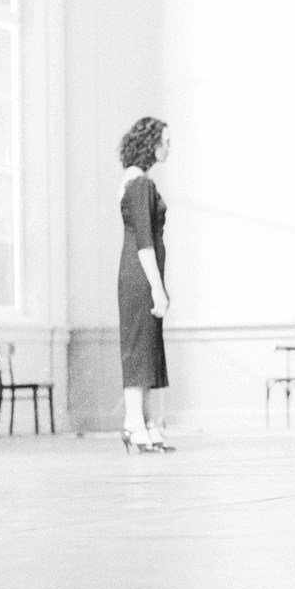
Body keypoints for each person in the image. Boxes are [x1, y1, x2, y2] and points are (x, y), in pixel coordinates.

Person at [117, 116, 174, 454]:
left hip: (140, 273)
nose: (169, 147)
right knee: (139, 349)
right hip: (140, 274)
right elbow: (144, 241)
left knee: (147, 347)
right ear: (150, 143)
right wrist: (157, 286)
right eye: (165, 141)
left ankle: (145, 421)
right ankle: (133, 422)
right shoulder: (141, 185)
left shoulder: (134, 181)